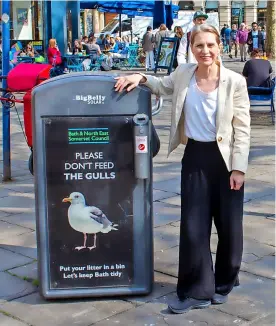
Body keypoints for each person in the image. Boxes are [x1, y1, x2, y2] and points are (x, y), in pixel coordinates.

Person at [114, 23, 250, 314]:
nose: (205, 51)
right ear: (191, 47)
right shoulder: (184, 74)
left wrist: (238, 168)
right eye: (199, 45)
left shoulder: (234, 81)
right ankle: (198, 290)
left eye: (210, 45)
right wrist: (140, 77)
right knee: (193, 226)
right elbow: (162, 86)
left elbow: (242, 128)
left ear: (219, 47)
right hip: (195, 157)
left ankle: (225, 281)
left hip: (226, 160)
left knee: (229, 226)